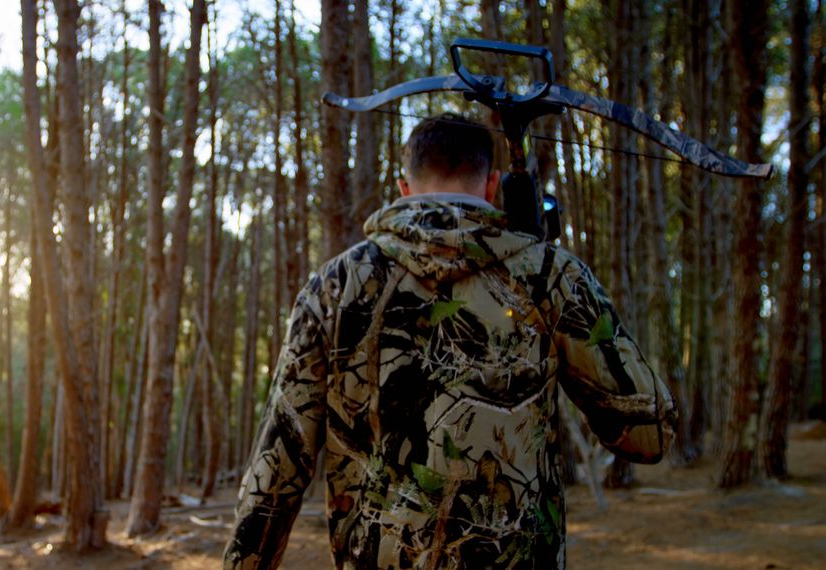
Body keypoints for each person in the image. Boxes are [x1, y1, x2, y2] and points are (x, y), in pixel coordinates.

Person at [223, 113, 675, 569]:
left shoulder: (336, 286)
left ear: (404, 188)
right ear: (492, 184)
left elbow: (277, 467)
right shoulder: (548, 275)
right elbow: (649, 435)